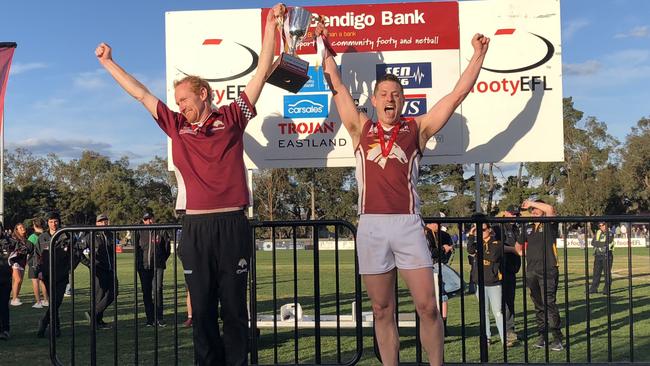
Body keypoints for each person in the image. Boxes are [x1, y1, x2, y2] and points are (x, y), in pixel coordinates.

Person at [96, 5, 283, 364]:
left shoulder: (232, 116)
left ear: (204, 93)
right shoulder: (174, 125)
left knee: (233, 309)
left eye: (185, 99)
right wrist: (109, 63)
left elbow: (261, 70)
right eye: (177, 101)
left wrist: (272, 25)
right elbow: (140, 93)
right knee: (201, 313)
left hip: (231, 223)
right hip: (194, 226)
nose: (180, 106)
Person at [317, 20, 489, 365]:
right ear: (374, 100)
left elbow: (456, 95)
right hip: (371, 226)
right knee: (382, 310)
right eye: (383, 94)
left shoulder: (418, 129)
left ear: (404, 100)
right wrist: (323, 44)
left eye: (396, 94)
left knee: (427, 306)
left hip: (408, 225)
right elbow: (336, 84)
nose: (389, 99)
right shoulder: (359, 127)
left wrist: (478, 56)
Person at [515, 199, 563, 351]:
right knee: (538, 305)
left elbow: (550, 208)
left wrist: (532, 203)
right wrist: (523, 253)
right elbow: (518, 245)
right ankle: (542, 336)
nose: (533, 212)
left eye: (536, 209)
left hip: (548, 269)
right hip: (531, 270)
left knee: (549, 303)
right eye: (532, 210)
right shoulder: (528, 227)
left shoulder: (549, 224)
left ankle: (557, 338)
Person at [467, 223, 505, 345]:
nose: (481, 232)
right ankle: (487, 337)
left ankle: (504, 337)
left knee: (498, 312)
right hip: (480, 283)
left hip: (494, 283)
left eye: (483, 229)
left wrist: (479, 252)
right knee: (484, 312)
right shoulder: (476, 243)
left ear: (489, 230)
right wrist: (471, 235)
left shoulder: (497, 243)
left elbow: (493, 256)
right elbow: (470, 250)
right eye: (478, 230)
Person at [36, 212, 71, 338]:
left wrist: (70, 268)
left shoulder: (66, 235)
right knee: (53, 302)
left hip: (62, 274)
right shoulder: (42, 237)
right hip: (47, 275)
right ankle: (55, 328)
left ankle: (45, 322)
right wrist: (38, 271)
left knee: (57, 301)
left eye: (55, 221)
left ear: (59, 221)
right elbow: (37, 256)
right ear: (47, 223)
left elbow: (74, 254)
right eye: (51, 221)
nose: (53, 224)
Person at [80, 213, 117, 330]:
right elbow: (77, 250)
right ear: (96, 223)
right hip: (98, 269)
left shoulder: (110, 234)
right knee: (99, 295)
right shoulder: (91, 235)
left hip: (110, 269)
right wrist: (89, 263)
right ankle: (97, 321)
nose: (103, 223)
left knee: (113, 292)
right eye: (101, 221)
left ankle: (94, 315)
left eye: (105, 221)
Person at [135, 211, 171, 327]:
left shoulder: (161, 230)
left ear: (154, 219)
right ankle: (150, 319)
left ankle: (159, 318)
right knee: (146, 292)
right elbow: (137, 249)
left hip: (158, 266)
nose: (148, 221)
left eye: (150, 218)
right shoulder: (139, 231)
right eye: (146, 219)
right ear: (143, 220)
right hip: (144, 267)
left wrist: (160, 260)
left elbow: (166, 249)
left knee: (158, 290)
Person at [424, 216, 454, 332]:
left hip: (439, 265)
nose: (439, 226)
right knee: (432, 296)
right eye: (437, 224)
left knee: (443, 296)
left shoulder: (442, 235)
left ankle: (442, 324)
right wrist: (443, 248)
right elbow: (429, 252)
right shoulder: (425, 233)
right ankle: (433, 325)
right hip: (429, 267)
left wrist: (446, 251)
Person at [500, 205, 522, 346]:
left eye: (516, 215)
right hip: (502, 269)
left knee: (510, 300)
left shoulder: (515, 228)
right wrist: (514, 250)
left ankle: (510, 328)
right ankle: (505, 330)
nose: (514, 217)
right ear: (506, 213)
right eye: (512, 214)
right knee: (502, 302)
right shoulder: (500, 226)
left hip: (512, 269)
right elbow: (497, 246)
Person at [27, 218, 49, 308]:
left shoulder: (32, 237)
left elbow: (28, 250)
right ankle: (46, 300)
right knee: (43, 281)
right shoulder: (46, 235)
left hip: (34, 260)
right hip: (44, 260)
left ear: (34, 225)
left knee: (35, 281)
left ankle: (38, 302)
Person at [589, 221, 614, 295]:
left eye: (602, 225)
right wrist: (600, 244)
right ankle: (593, 289)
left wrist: (598, 244)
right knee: (596, 273)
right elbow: (593, 243)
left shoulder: (610, 233)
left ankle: (606, 290)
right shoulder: (598, 232)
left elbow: (607, 242)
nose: (601, 227)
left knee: (607, 273)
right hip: (598, 255)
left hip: (607, 255)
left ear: (606, 225)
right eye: (599, 226)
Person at [9, 223, 31, 306]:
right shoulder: (14, 239)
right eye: (20, 227)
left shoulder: (25, 239)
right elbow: (12, 249)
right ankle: (14, 299)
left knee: (20, 281)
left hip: (22, 262)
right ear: (17, 230)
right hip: (15, 261)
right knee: (17, 280)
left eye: (23, 227)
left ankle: (16, 298)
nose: (23, 228)